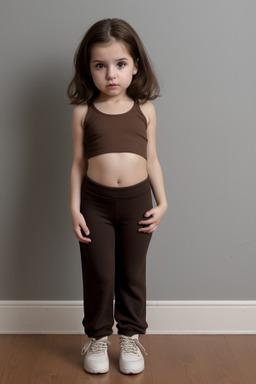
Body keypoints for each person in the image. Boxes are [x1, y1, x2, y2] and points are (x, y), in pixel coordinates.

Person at [67, 18, 168, 375]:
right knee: (100, 274)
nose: (111, 74)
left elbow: (152, 159)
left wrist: (163, 202)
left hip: (137, 204)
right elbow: (79, 164)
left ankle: (129, 336)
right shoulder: (83, 113)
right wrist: (74, 208)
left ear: (135, 65)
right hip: (94, 204)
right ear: (89, 70)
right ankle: (96, 337)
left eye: (120, 64)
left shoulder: (145, 109)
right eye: (100, 65)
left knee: (131, 273)